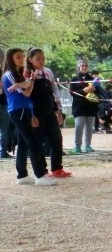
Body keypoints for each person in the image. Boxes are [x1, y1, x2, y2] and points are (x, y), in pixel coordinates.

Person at [2, 48, 57, 186]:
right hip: (17, 111)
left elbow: (28, 91)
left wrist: (32, 113)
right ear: (11, 59)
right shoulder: (9, 74)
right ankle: (39, 175)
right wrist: (27, 82)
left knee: (22, 144)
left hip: (26, 110)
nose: (22, 59)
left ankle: (22, 175)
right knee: (33, 142)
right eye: (18, 57)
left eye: (22, 56)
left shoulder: (21, 75)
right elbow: (26, 92)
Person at [26, 48, 70, 178]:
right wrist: (31, 114)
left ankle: (57, 168)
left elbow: (52, 89)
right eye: (38, 58)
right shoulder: (27, 73)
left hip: (49, 109)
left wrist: (57, 110)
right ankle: (42, 170)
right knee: (38, 140)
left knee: (56, 138)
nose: (41, 61)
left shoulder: (48, 72)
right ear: (30, 60)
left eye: (43, 58)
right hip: (36, 110)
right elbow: (26, 95)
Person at [69, 59, 99, 153]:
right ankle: (77, 146)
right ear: (79, 68)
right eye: (82, 66)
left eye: (85, 66)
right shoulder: (74, 79)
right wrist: (84, 91)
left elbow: (98, 91)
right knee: (79, 126)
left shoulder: (92, 79)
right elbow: (72, 93)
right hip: (79, 107)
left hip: (90, 106)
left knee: (90, 127)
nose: (84, 67)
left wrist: (94, 89)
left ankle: (88, 145)